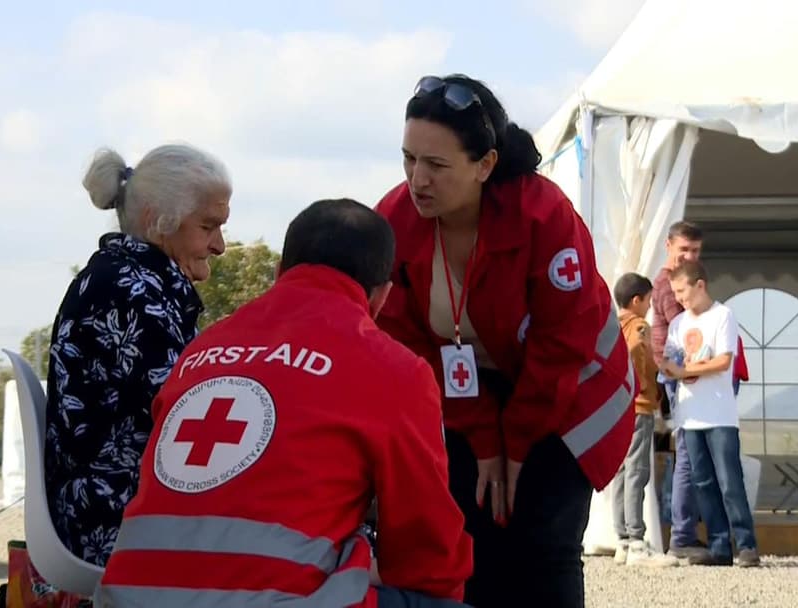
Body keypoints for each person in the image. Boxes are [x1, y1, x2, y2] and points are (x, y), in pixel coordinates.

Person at [95, 199, 474, 608]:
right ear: (381, 298)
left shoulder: (201, 349)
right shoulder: (393, 368)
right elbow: (429, 549)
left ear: (278, 274)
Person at [375, 74, 634, 608]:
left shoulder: (543, 213)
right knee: (471, 534)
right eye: (408, 159)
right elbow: (406, 342)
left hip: (570, 388)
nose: (417, 181)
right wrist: (482, 437)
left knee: (544, 540)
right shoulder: (395, 220)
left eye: (437, 166)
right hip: (467, 391)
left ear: (485, 165)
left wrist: (516, 442)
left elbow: (564, 340)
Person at [44, 144, 231, 565]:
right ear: (157, 222)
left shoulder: (136, 281)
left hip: (126, 500)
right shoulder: (131, 293)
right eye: (207, 227)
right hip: (112, 512)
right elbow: (187, 408)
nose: (219, 246)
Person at [660, 260, 760, 568]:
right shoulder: (678, 324)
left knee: (729, 481)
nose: (679, 299)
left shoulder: (723, 316)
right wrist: (669, 368)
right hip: (689, 416)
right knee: (702, 482)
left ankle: (746, 545)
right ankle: (719, 545)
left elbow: (723, 362)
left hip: (719, 415)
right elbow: (670, 360)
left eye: (682, 291)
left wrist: (685, 369)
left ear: (699, 285)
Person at [610, 273, 679, 568]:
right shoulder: (639, 327)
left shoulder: (612, 326)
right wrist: (647, 378)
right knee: (638, 470)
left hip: (618, 409)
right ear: (637, 301)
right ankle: (637, 540)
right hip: (639, 406)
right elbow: (638, 353)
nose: (650, 307)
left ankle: (623, 539)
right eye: (649, 301)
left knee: (622, 473)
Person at [650, 220, 708, 560]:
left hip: (683, 374)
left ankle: (685, 530)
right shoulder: (670, 285)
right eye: (684, 249)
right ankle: (683, 534)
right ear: (668, 246)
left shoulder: (677, 282)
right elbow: (688, 331)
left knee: (689, 456)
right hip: (679, 375)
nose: (689, 255)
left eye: (696, 251)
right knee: (688, 457)